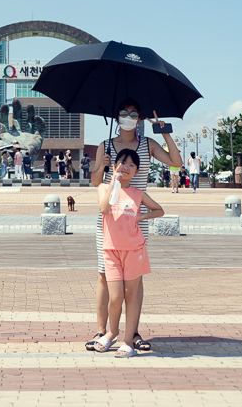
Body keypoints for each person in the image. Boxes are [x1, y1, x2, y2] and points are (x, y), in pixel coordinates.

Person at [87, 100, 182, 353]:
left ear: (139, 119)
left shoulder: (147, 145)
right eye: (123, 113)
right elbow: (95, 181)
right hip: (109, 220)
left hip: (135, 218)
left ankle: (132, 332)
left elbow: (176, 162)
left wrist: (164, 132)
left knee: (134, 281)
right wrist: (102, 165)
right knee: (104, 274)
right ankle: (102, 330)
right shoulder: (105, 146)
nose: (127, 117)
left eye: (133, 114)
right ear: (116, 117)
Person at [95, 148, 164, 357]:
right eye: (122, 163)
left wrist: (141, 218)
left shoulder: (138, 193)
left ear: (136, 172)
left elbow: (159, 210)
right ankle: (112, 332)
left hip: (134, 250)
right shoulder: (104, 188)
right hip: (111, 251)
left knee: (131, 295)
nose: (126, 167)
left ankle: (128, 342)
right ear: (114, 165)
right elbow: (104, 209)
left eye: (131, 165)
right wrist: (113, 182)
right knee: (115, 297)